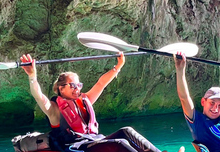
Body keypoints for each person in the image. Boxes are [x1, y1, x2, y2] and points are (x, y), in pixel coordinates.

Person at [20, 52, 162, 152]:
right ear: (61, 89)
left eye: (79, 85)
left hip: (94, 141)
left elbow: (101, 84)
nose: (77, 89)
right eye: (73, 85)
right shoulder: (54, 110)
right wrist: (33, 76)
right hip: (76, 147)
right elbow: (38, 96)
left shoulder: (85, 100)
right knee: (120, 143)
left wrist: (118, 66)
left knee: (127, 131)